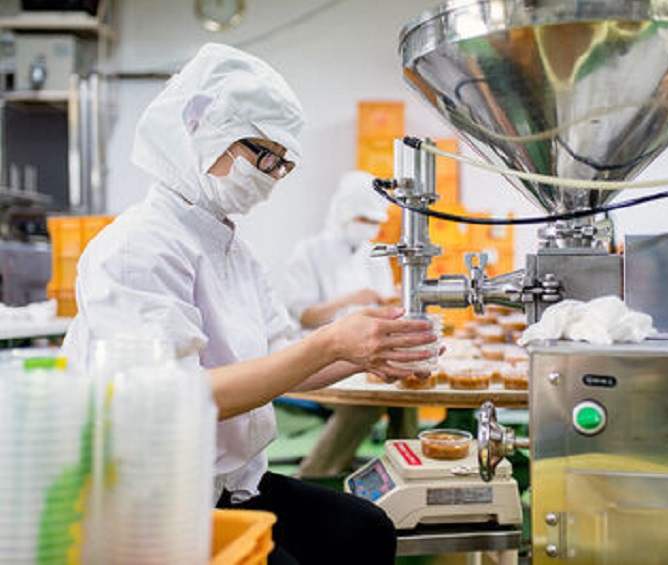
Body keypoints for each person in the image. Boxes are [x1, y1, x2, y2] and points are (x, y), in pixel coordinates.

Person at [60, 43, 437, 565]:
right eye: (265, 156)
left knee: (364, 529)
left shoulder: (231, 249)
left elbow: (281, 356)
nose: (271, 175)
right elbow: (173, 400)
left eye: (282, 164)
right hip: (155, 499)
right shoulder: (136, 248)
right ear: (201, 130)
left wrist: (364, 355)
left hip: (227, 482)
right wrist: (333, 341)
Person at [282, 170, 418, 477]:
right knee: (367, 400)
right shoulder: (310, 252)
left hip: (367, 352)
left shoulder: (375, 254)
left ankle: (406, 472)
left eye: (374, 221)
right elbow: (305, 316)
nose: (368, 226)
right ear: (343, 212)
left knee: (405, 390)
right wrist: (351, 299)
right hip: (319, 356)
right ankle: (317, 475)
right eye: (362, 219)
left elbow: (385, 306)